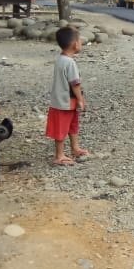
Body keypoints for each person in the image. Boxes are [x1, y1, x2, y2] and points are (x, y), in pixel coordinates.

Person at [45, 26, 89, 167]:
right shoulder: (70, 63)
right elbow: (75, 84)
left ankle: (75, 148)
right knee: (63, 127)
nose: (81, 43)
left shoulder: (60, 59)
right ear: (75, 44)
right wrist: (81, 99)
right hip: (64, 102)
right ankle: (59, 155)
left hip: (65, 100)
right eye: (80, 41)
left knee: (72, 124)